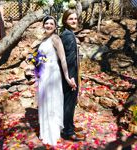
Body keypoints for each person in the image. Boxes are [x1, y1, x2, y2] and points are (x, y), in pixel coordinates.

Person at [37, 15, 75, 146]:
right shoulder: (43, 40)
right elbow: (41, 59)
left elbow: (63, 59)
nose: (48, 25)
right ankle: (45, 131)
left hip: (53, 74)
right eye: (46, 23)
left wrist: (66, 76)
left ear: (55, 26)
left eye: (51, 24)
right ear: (43, 25)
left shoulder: (56, 39)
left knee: (52, 102)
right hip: (43, 75)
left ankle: (52, 133)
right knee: (44, 102)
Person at [60, 9, 85, 141]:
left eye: (75, 18)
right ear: (65, 20)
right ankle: (68, 131)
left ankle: (70, 125)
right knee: (69, 103)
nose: (74, 21)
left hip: (70, 73)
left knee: (69, 102)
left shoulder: (67, 33)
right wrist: (71, 78)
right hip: (70, 75)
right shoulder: (68, 35)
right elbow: (69, 59)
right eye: (71, 19)